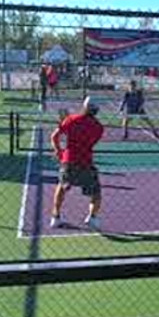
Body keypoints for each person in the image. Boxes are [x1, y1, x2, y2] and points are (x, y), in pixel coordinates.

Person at [49, 96, 104, 230]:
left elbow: (54, 136)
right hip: (86, 162)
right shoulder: (99, 127)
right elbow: (90, 142)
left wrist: (58, 151)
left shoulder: (71, 120)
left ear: (84, 106)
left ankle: (55, 217)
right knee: (96, 193)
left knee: (61, 186)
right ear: (96, 110)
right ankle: (92, 218)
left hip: (68, 161)